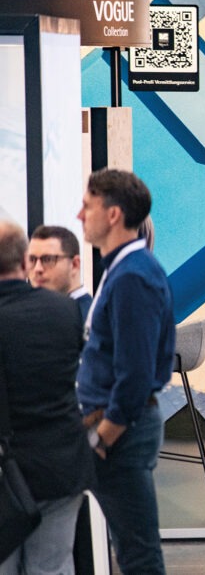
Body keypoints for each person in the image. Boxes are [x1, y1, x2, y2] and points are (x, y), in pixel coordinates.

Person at [76, 169, 175, 574]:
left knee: (138, 554)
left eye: (88, 206)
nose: (80, 215)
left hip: (121, 433)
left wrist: (104, 437)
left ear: (113, 214)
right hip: (115, 428)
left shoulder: (133, 275)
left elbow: (135, 371)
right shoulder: (124, 269)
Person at [0, 222, 94, 575]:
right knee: (52, 567)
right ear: (25, 262)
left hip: (7, 470)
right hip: (61, 465)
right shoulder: (65, 311)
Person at [27, 224, 91, 319]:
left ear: (74, 264)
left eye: (48, 259)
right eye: (32, 259)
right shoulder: (31, 313)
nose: (37, 268)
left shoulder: (88, 318)